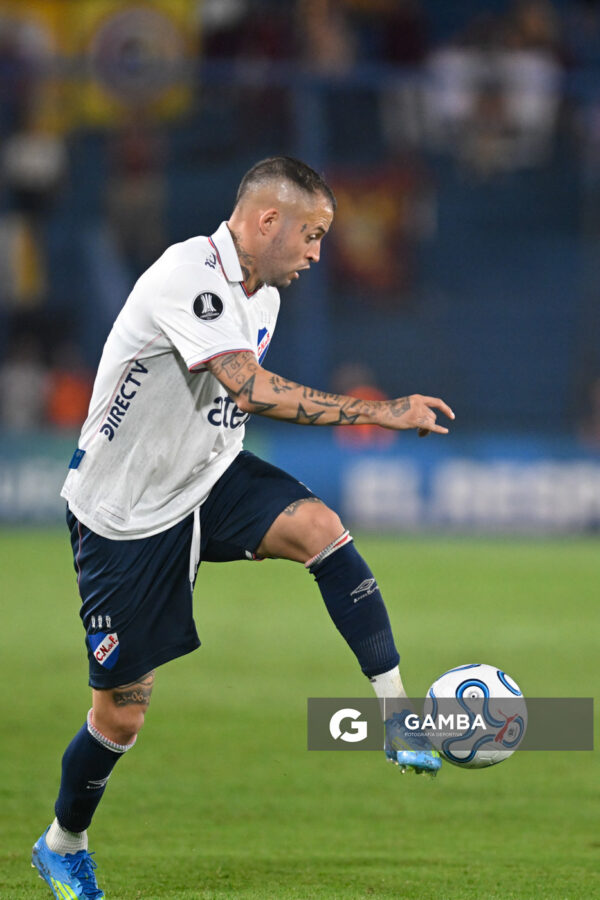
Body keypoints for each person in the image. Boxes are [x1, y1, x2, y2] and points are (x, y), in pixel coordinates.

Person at [31, 156, 454, 900]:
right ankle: (62, 843)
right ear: (268, 222)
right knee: (121, 717)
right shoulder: (187, 275)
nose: (318, 253)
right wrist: (381, 411)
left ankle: (396, 710)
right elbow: (249, 388)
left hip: (210, 474)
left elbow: (229, 407)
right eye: (312, 235)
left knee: (321, 527)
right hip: (126, 513)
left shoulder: (266, 296)